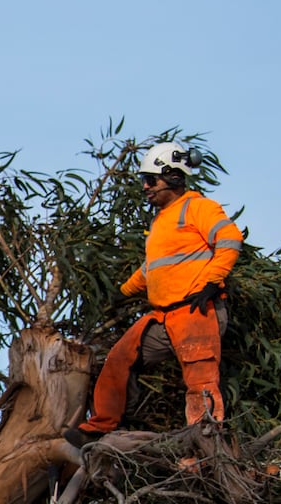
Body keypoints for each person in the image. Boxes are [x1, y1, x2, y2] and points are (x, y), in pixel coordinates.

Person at [71, 141, 243, 439]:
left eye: (151, 180)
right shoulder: (162, 220)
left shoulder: (197, 207)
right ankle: (101, 427)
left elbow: (229, 238)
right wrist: (122, 292)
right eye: (144, 181)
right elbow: (152, 268)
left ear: (174, 177)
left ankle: (206, 444)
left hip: (196, 310)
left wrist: (212, 282)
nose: (146, 187)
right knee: (118, 359)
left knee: (200, 381)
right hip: (164, 316)